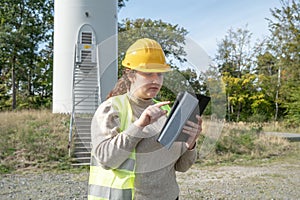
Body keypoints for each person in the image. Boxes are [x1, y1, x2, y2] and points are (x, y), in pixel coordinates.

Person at [88, 38, 202, 200]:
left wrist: (190, 144)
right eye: (148, 73)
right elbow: (106, 160)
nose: (156, 80)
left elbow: (181, 167)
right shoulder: (111, 108)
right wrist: (139, 126)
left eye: (160, 74)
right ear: (130, 74)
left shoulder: (167, 111)